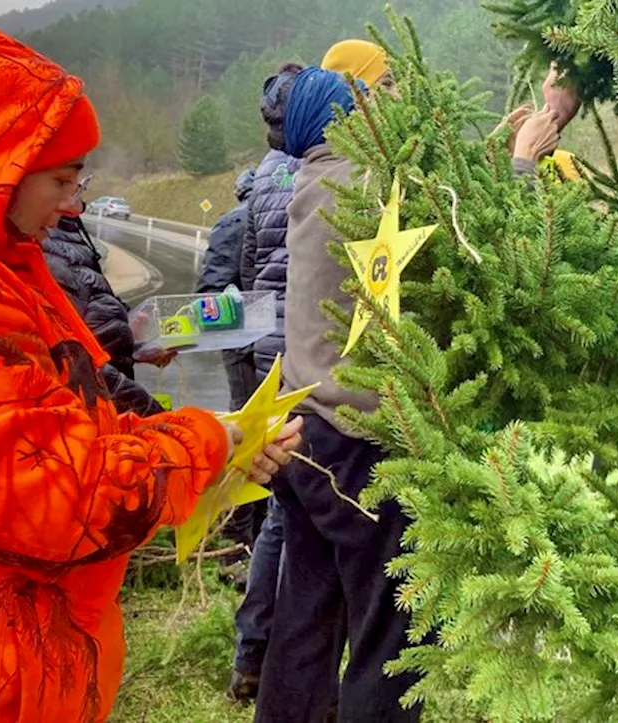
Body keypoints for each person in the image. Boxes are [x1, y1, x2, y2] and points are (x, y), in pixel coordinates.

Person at [0, 6, 300, 721]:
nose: (74, 206)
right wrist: (209, 441)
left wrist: (211, 446)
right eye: (62, 180)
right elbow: (62, 498)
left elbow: (54, 418)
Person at [254, 66, 419, 723]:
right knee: (393, 622)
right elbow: (452, 213)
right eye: (357, 107)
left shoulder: (317, 179)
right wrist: (522, 160)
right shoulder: (360, 183)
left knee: (307, 613)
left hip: (305, 430)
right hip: (352, 439)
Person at [228, 61, 305, 703]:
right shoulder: (319, 174)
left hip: (264, 345)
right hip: (304, 347)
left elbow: (252, 267)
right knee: (293, 510)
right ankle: (270, 658)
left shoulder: (259, 182)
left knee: (280, 503)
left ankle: (252, 654)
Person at [44, 186, 169, 417]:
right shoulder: (43, 245)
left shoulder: (66, 233)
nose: (79, 204)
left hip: (112, 409)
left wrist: (133, 345)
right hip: (98, 415)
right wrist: (158, 418)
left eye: (81, 186)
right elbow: (79, 365)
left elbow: (90, 313)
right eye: (63, 180)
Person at [196, 169, 260, 412]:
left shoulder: (233, 221)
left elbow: (212, 288)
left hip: (243, 338)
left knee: (246, 413)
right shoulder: (292, 211)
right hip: (288, 336)